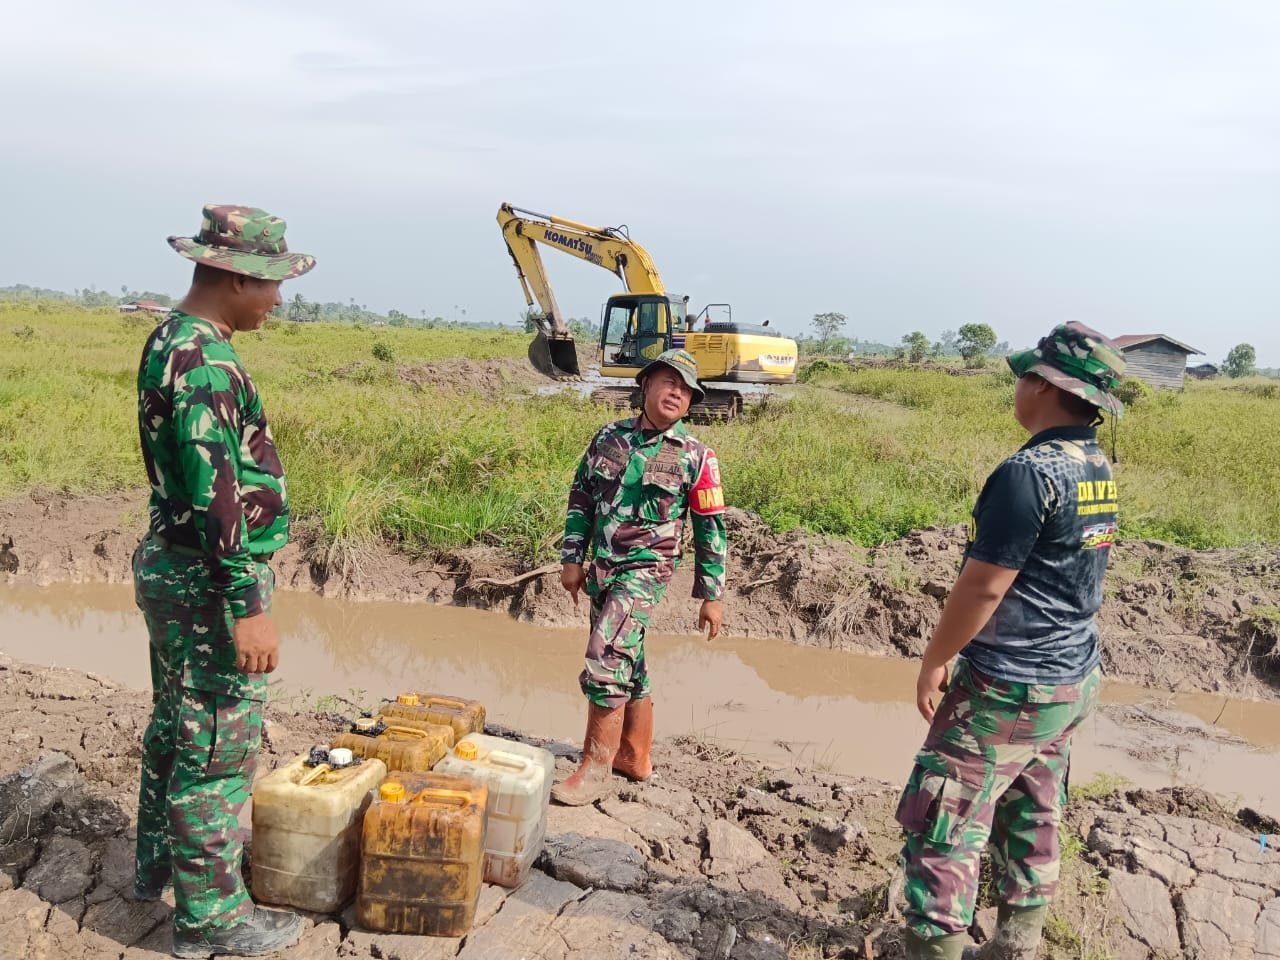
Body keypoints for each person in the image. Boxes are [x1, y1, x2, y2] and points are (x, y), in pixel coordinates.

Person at [896, 323, 1127, 960]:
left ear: (1044, 385)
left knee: (943, 826)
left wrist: (935, 659)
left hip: (1008, 687)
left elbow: (983, 588)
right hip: (1071, 677)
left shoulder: (1029, 472)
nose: (1018, 388)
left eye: (1024, 376)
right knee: (1033, 812)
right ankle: (1016, 946)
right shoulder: (1095, 464)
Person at [132, 204, 315, 958]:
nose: (278, 299)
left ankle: (158, 866)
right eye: (272, 284)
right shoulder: (206, 361)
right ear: (237, 278)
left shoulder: (171, 338)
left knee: (176, 724)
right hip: (209, 581)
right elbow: (218, 495)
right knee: (216, 747)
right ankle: (210, 920)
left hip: (175, 566)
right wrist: (248, 604)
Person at [552, 349, 727, 806]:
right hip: (603, 566)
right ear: (646, 385)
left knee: (609, 653)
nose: (676, 393)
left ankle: (595, 769)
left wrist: (711, 594)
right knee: (630, 657)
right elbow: (581, 496)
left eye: (686, 390)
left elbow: (710, 528)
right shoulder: (608, 438)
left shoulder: (697, 457)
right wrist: (572, 559)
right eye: (669, 382)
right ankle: (634, 756)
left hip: (647, 571)